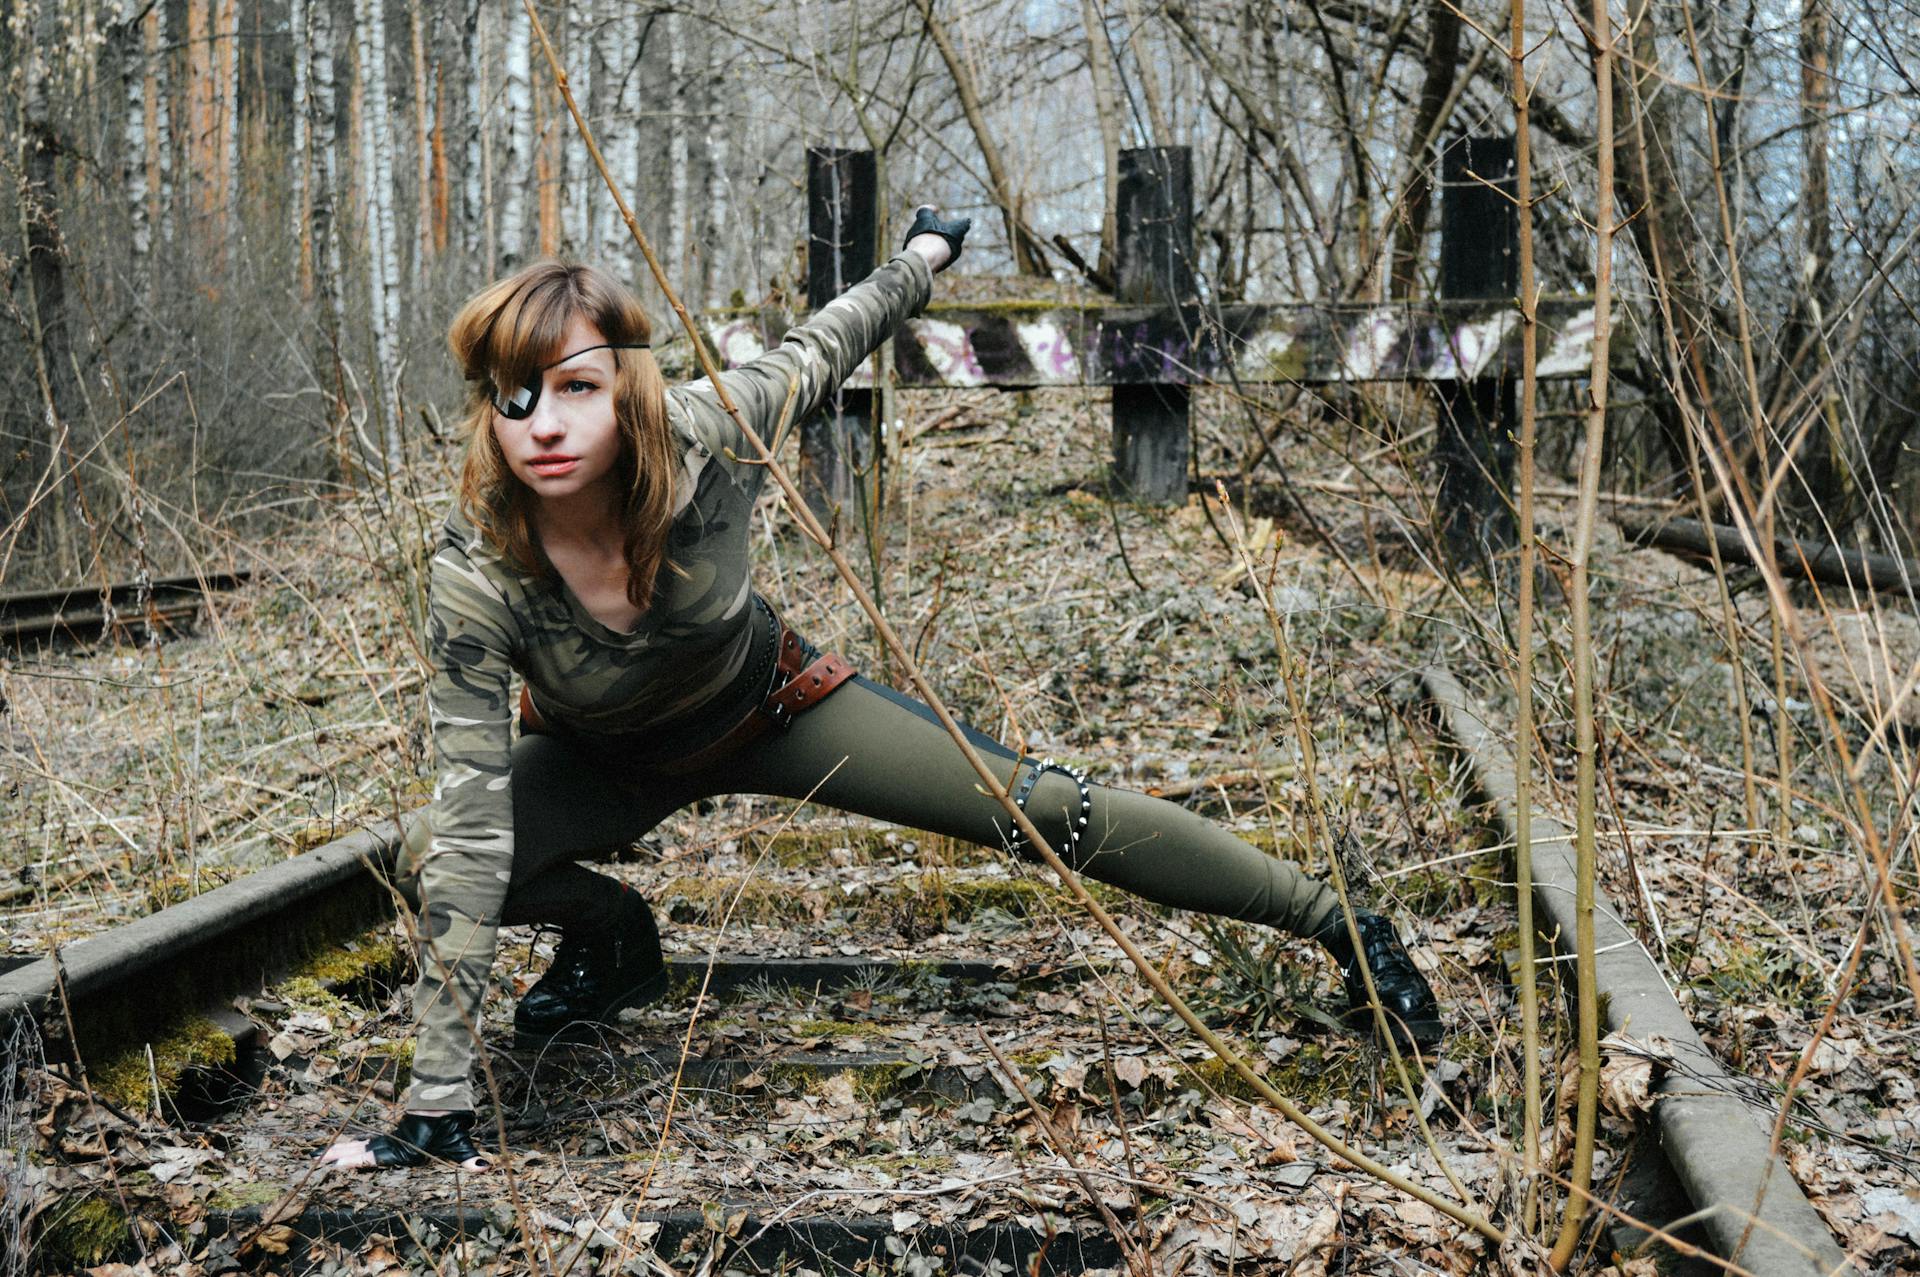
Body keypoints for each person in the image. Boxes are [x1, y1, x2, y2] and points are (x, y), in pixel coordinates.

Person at [319, 208, 1441, 1172]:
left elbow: (834, 334)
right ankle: (614, 937)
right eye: (516, 398)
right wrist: (437, 1100)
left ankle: (1341, 924)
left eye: (576, 387)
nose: (546, 424)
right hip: (605, 760)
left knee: (1049, 809)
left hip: (774, 709)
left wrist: (921, 258)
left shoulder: (714, 431)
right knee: (428, 855)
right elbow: (470, 823)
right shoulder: (479, 570)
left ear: (629, 386)